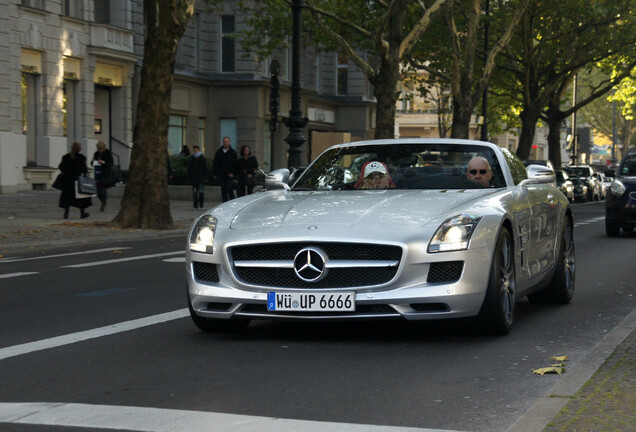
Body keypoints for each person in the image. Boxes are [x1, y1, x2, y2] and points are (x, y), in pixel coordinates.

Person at [58, 141, 91, 219]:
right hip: (77, 180)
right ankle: (82, 213)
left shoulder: (66, 157)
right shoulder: (81, 158)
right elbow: (84, 169)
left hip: (67, 180)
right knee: (81, 197)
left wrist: (66, 172)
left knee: (67, 197)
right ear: (79, 149)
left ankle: (66, 213)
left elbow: (61, 167)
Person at [212, 136, 238, 202]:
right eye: (224, 141)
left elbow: (235, 164)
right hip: (222, 174)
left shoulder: (232, 152)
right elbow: (216, 163)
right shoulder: (219, 152)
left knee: (229, 188)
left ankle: (232, 201)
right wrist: (215, 173)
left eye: (226, 141)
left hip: (230, 175)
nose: (225, 143)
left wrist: (233, 173)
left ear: (229, 142)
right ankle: (225, 203)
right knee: (223, 189)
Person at [90, 141, 113, 212]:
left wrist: (103, 162)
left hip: (105, 173)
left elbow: (110, 164)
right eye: (98, 149)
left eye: (100, 149)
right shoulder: (96, 153)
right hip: (98, 173)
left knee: (103, 189)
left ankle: (103, 204)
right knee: (98, 191)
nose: (99, 150)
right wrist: (93, 161)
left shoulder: (107, 153)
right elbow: (92, 163)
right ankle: (103, 201)